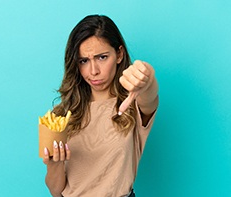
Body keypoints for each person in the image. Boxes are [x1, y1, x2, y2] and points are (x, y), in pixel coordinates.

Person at [43, 14, 159, 197]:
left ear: (119, 54)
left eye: (102, 57)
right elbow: (56, 191)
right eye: (83, 61)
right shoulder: (62, 114)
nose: (93, 71)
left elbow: (150, 94)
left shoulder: (132, 103)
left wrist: (147, 76)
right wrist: (54, 164)